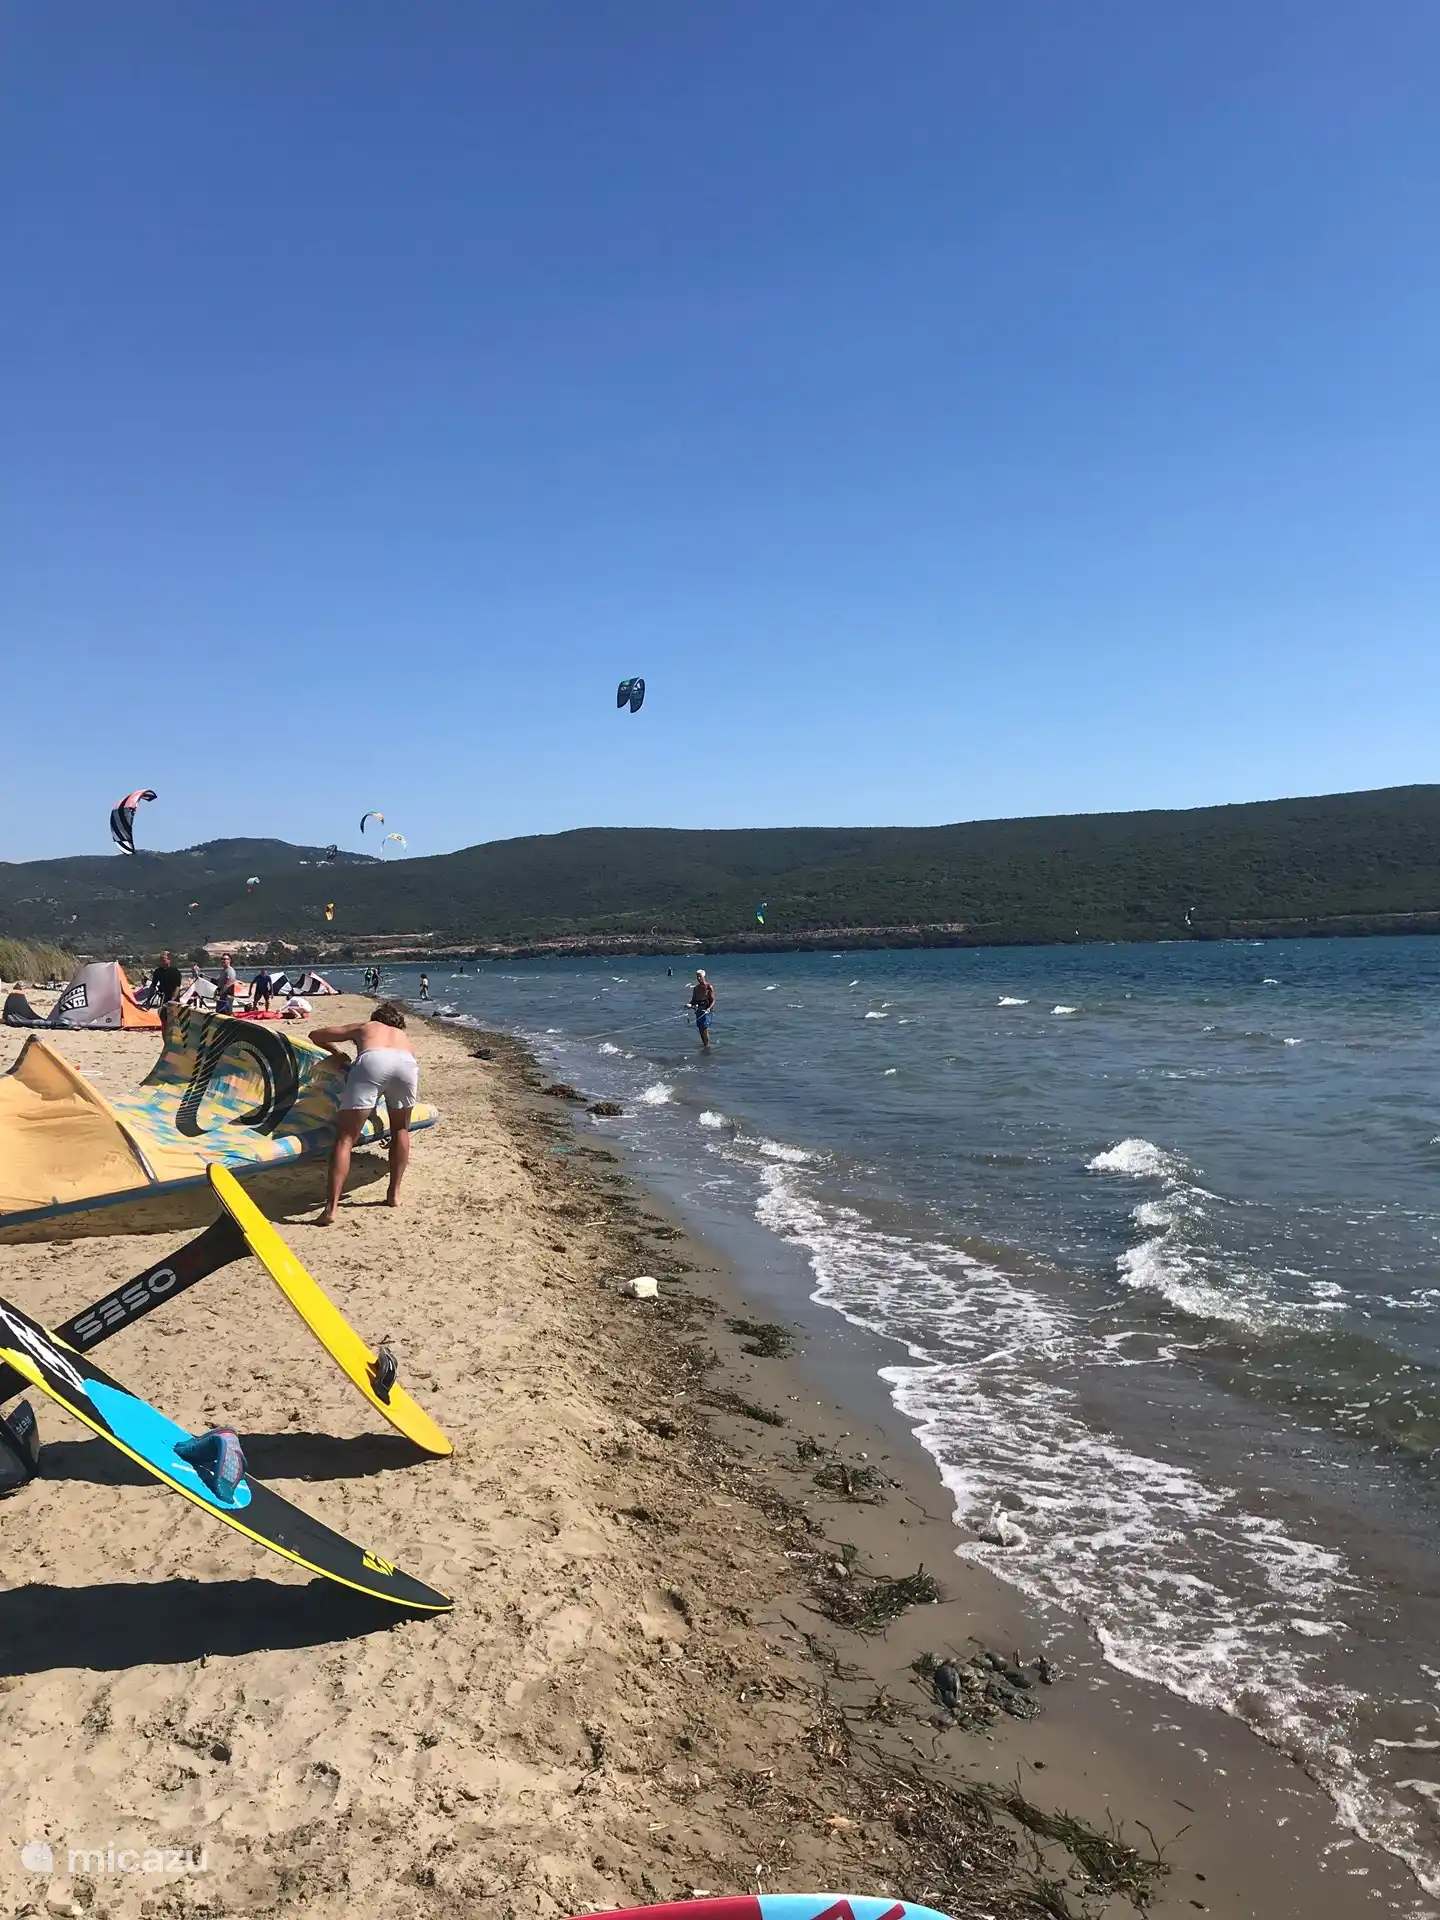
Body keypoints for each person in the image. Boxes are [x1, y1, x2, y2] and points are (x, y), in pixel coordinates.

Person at [310, 1002, 419, 1223]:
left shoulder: (366, 1027)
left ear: (376, 1018)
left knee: (345, 1139)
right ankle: (394, 1194)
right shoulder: (405, 1039)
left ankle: (331, 1209)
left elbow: (316, 1035)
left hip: (373, 1061)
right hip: (407, 1063)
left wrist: (337, 1052)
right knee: (400, 1130)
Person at [688, 968, 716, 1050]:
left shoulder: (709, 987)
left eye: (700, 976)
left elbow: (713, 1000)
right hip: (698, 1010)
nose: (698, 978)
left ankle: (707, 1046)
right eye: (697, 977)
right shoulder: (696, 988)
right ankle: (705, 1045)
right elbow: (693, 1000)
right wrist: (689, 1004)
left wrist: (709, 1009)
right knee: (700, 1029)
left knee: (704, 1028)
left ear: (704, 977)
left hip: (706, 1010)